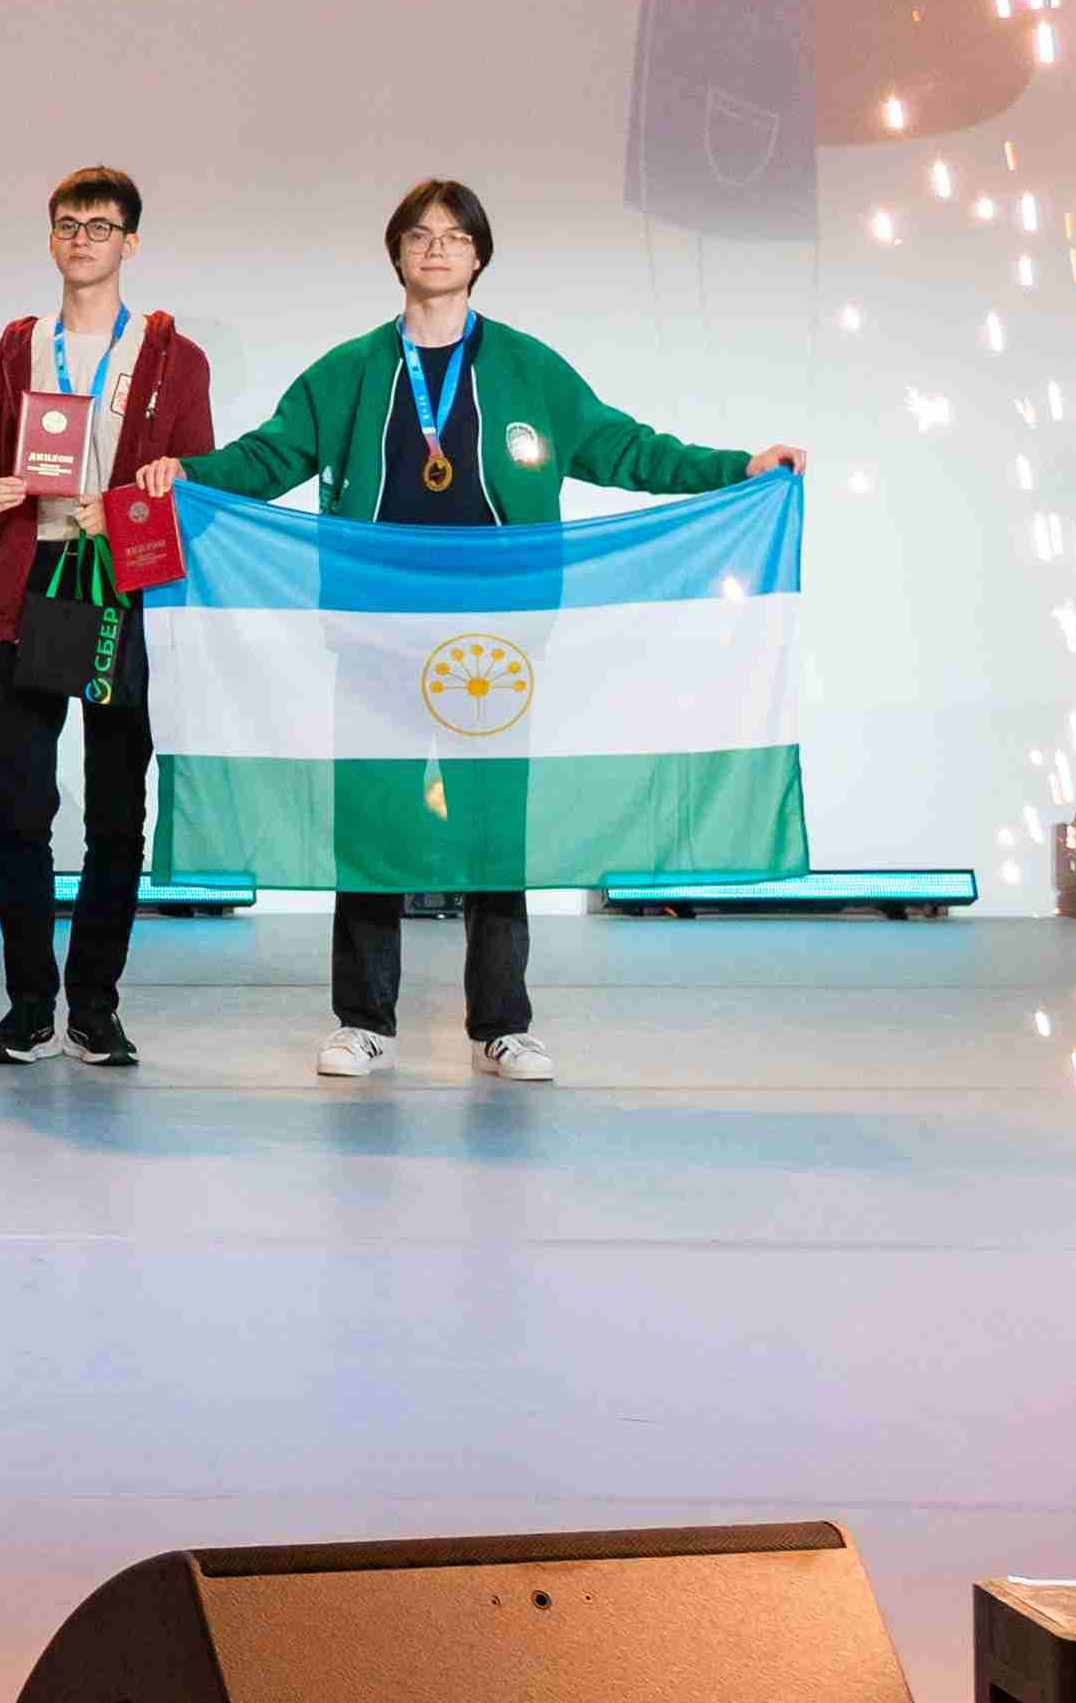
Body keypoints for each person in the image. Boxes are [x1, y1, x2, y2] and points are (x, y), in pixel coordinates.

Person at [154, 175, 801, 1082]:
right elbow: (270, 454)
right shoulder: (348, 370)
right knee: (371, 821)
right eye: (418, 234)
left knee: (495, 823)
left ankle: (501, 1024)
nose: (435, 247)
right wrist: (188, 473)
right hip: (373, 628)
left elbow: (625, 447)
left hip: (494, 640)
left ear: (478, 255)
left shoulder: (529, 368)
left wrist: (737, 467)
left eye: (453, 235)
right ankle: (363, 1021)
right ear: (396, 253)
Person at [0, 165, 219, 1068]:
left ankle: (95, 1006)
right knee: (20, 809)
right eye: (67, 224)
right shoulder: (15, 350)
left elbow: (197, 491)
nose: (82, 239)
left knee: (116, 813)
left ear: (129, 242)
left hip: (124, 592)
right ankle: (29, 1006)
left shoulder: (173, 357)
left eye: (100, 225)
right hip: (29, 587)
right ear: (49, 239)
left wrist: (148, 497)